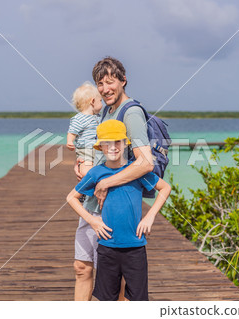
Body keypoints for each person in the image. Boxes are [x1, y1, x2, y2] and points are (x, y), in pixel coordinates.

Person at [72, 57, 155, 301]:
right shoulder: (107, 110)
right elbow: (104, 150)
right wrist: (86, 169)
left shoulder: (131, 113)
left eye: (111, 82)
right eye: (100, 83)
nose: (105, 88)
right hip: (93, 200)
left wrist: (106, 182)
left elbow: (145, 161)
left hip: (109, 204)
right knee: (81, 267)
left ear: (123, 81)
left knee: (112, 280)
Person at [67, 120, 171, 301]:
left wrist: (150, 216)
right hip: (107, 247)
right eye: (107, 143)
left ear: (125, 144)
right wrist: (93, 221)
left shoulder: (137, 172)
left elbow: (165, 188)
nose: (113, 147)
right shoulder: (96, 173)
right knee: (107, 299)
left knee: (137, 299)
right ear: (100, 147)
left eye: (117, 142)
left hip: (136, 247)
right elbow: (71, 198)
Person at [66, 81, 103, 177]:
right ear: (93, 101)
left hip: (99, 149)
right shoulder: (79, 118)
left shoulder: (98, 117)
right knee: (86, 171)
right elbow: (72, 132)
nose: (102, 104)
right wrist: (70, 141)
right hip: (85, 149)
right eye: (100, 101)